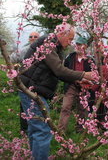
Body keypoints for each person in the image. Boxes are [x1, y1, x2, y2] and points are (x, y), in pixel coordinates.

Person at [18, 23, 96, 160]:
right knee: (43, 130)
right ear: (62, 34)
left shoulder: (54, 46)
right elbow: (59, 70)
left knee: (35, 128)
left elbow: (56, 72)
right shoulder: (48, 43)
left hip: (32, 89)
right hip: (32, 90)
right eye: (70, 39)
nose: (71, 42)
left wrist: (78, 80)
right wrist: (83, 74)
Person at [58, 36, 95, 133]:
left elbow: (94, 75)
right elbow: (64, 72)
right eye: (77, 44)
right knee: (66, 107)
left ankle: (79, 130)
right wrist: (75, 79)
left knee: (82, 109)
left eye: (80, 45)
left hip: (84, 87)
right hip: (71, 85)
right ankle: (61, 131)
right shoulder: (69, 57)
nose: (78, 46)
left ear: (85, 46)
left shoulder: (90, 60)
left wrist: (86, 81)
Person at [10, 31, 39, 133]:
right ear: (28, 39)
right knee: (24, 106)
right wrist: (15, 69)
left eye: (35, 36)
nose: (33, 38)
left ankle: (34, 128)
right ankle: (24, 130)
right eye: (31, 36)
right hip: (25, 83)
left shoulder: (44, 51)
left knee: (36, 107)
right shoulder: (24, 50)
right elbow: (11, 58)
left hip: (38, 83)